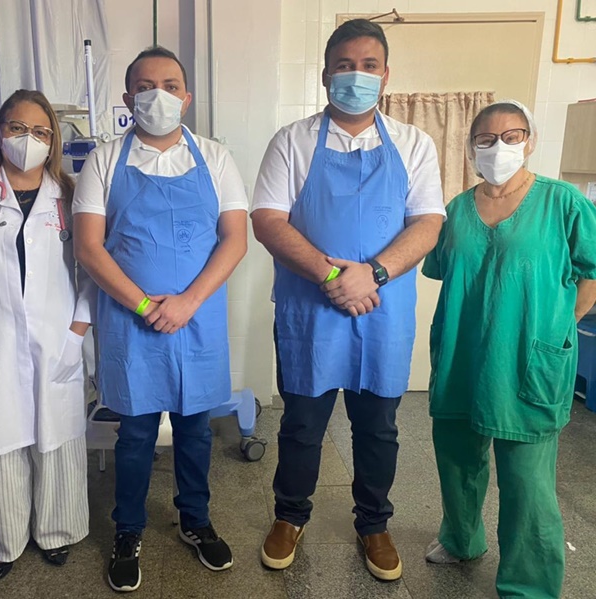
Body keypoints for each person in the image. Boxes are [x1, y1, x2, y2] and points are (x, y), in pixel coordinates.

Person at [251, 19, 446, 580]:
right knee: (302, 424)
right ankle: (289, 516)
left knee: (379, 427)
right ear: (325, 75)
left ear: (385, 76)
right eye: (344, 66)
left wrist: (374, 274)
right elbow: (267, 220)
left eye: (368, 66)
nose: (355, 76)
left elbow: (428, 222)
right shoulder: (292, 141)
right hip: (310, 310)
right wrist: (333, 275)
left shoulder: (413, 143)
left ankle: (374, 523)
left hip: (381, 311)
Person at [73, 46, 248, 593]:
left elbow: (235, 239)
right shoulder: (104, 161)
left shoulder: (216, 158)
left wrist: (188, 301)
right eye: (146, 86)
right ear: (128, 98)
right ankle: (128, 530)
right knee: (136, 433)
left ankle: (196, 520)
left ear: (186, 97)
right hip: (132, 320)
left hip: (197, 317)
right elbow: (89, 247)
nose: (158, 95)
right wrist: (146, 305)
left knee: (196, 428)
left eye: (170, 85)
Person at [422, 99, 596, 598]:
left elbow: (591, 270)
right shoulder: (456, 210)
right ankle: (461, 539)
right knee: (457, 460)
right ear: (471, 146)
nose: (498, 146)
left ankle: (530, 585)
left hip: (527, 360)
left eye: (511, 136)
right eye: (486, 138)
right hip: (462, 353)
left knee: (527, 482)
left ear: (529, 141)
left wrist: (564, 325)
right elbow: (440, 268)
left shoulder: (562, 202)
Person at [0, 90, 95, 584]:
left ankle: (57, 533)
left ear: (52, 140)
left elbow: (89, 271)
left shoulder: (70, 194)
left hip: (58, 337)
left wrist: (76, 335)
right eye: (17, 128)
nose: (27, 139)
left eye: (39, 131)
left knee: (56, 439)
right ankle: (4, 541)